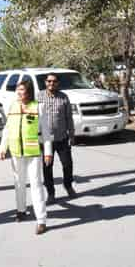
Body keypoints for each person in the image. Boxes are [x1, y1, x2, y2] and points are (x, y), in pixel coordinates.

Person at [0, 78, 53, 235]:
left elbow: (46, 133)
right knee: (19, 183)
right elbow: (7, 128)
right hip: (16, 152)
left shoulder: (38, 107)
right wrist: (3, 147)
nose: (19, 92)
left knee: (36, 185)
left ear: (29, 91)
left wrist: (48, 152)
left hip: (33, 152)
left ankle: (41, 220)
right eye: (18, 89)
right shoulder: (13, 106)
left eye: (22, 90)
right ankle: (21, 210)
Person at [38, 73, 76, 204]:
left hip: (62, 138)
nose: (51, 83)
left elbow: (69, 117)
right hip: (45, 139)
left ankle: (68, 185)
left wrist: (71, 134)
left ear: (57, 83)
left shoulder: (64, 97)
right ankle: (51, 192)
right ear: (45, 82)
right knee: (47, 167)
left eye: (54, 81)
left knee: (67, 164)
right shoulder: (39, 97)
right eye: (49, 81)